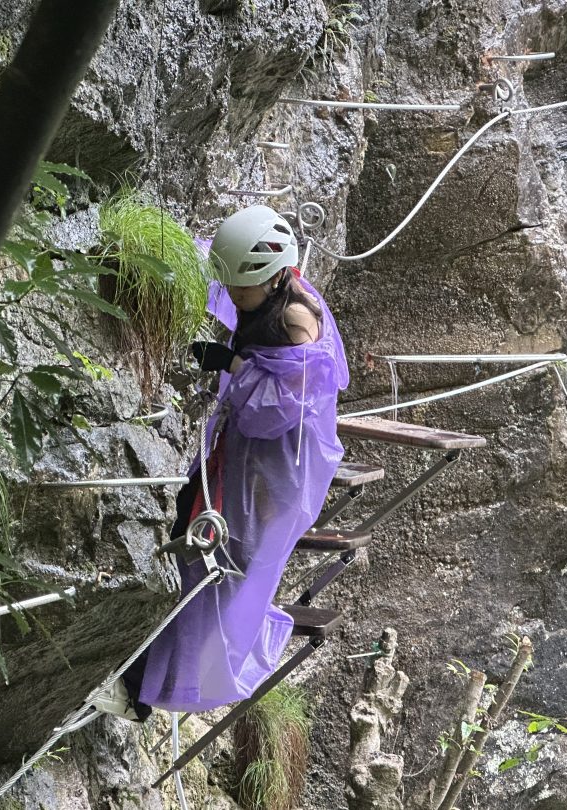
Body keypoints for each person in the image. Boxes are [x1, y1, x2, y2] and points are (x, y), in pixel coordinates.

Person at [94, 205, 349, 720]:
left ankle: (149, 689)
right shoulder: (261, 288)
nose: (231, 294)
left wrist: (231, 362)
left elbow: (278, 411)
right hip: (237, 456)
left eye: (240, 286)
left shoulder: (297, 321)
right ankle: (138, 664)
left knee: (218, 569)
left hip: (274, 475)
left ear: (273, 277)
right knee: (186, 529)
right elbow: (208, 267)